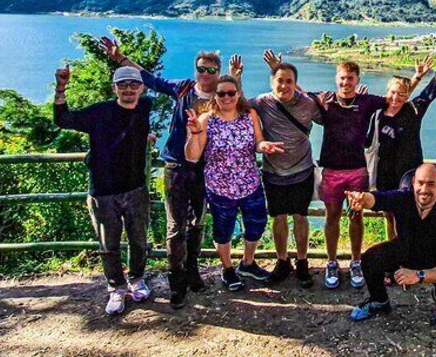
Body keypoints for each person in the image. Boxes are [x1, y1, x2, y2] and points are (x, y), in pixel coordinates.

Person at [100, 37, 241, 309]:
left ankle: (192, 270)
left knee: (197, 222)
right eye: (201, 68)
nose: (206, 74)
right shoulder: (183, 88)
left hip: (206, 167)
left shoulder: (224, 96)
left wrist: (235, 78)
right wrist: (120, 58)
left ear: (218, 71)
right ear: (195, 70)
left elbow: (241, 109)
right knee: (176, 226)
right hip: (177, 164)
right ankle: (177, 281)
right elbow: (150, 79)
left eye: (211, 70)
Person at [306, 58, 429, 290]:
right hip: (331, 169)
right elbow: (297, 96)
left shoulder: (366, 101)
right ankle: (331, 262)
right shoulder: (326, 100)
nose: (346, 82)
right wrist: (277, 72)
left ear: (357, 80)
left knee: (356, 216)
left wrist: (416, 78)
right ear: (336, 79)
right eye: (342, 78)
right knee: (331, 217)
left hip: (357, 170)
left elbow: (397, 97)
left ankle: (355, 262)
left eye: (350, 79)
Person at [53, 64, 153, 315]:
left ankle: (137, 279)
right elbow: (62, 119)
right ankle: (116, 287)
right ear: (114, 88)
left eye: (133, 84)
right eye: (122, 85)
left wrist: (147, 136)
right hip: (103, 191)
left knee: (139, 240)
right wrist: (61, 88)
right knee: (109, 244)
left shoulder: (145, 107)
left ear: (141, 88)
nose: (128, 89)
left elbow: (158, 87)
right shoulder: (99, 112)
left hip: (136, 188)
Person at [184, 75, 284, 291]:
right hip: (220, 189)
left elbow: (258, 141)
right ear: (215, 96)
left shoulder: (250, 115)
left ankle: (248, 263)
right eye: (221, 93)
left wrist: (264, 146)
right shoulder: (206, 120)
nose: (226, 97)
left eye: (231, 93)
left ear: (238, 94)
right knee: (223, 231)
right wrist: (194, 133)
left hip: (250, 183)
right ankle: (228, 269)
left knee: (256, 225)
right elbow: (192, 156)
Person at [345, 163, 436, 328]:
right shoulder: (403, 198)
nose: (424, 190)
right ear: (413, 182)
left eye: (431, 184)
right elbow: (378, 199)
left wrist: (419, 275)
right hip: (405, 249)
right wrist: (361, 198)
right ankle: (379, 301)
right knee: (370, 259)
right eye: (420, 183)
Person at [242, 55, 322, 287]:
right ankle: (282, 261)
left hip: (302, 169)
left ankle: (302, 262)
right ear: (271, 82)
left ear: (296, 83)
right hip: (273, 171)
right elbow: (238, 106)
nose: (284, 85)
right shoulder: (262, 102)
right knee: (278, 218)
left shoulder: (307, 103)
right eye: (280, 80)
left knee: (300, 217)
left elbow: (330, 118)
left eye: (289, 81)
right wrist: (236, 77)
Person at [373, 44, 436, 241]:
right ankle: (395, 250)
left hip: (409, 172)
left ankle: (416, 249)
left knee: (409, 211)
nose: (396, 97)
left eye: (401, 94)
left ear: (407, 95)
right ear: (387, 92)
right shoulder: (377, 114)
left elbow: (435, 84)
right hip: (384, 172)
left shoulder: (414, 110)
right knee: (389, 214)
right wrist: (415, 77)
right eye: (392, 92)